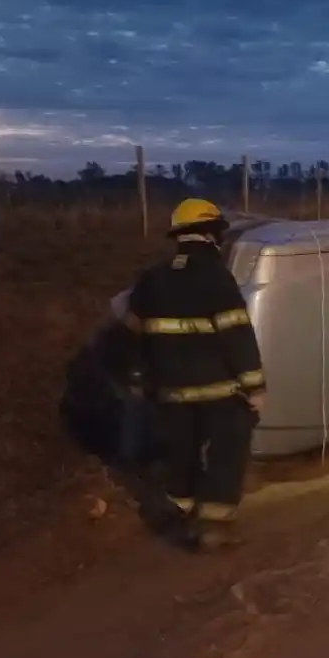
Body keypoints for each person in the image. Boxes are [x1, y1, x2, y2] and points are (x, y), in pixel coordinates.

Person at [112, 198, 267, 549]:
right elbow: (237, 335)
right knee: (227, 452)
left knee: (179, 452)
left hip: (169, 392)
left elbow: (132, 336)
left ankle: (177, 513)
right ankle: (213, 525)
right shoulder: (217, 278)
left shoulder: (151, 279)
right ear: (212, 235)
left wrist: (139, 380)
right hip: (218, 392)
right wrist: (255, 387)